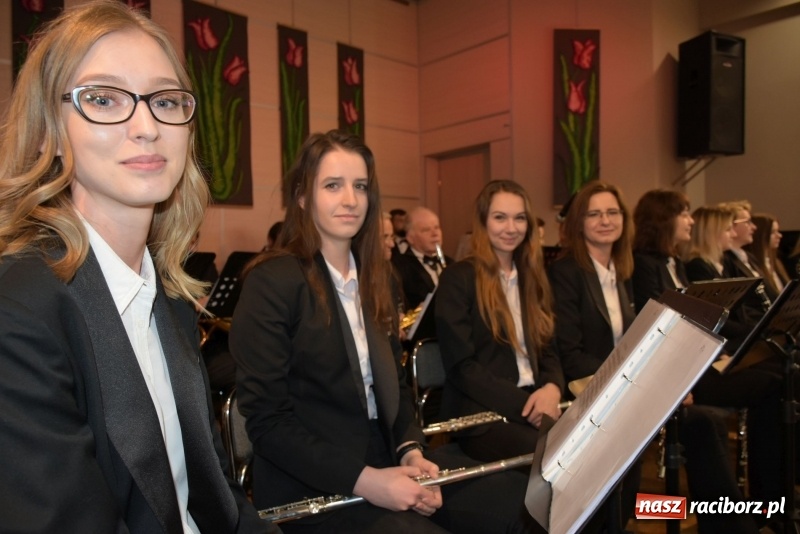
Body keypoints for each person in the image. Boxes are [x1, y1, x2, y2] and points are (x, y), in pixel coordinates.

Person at [0, 2, 274, 532]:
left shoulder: (168, 297)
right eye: (103, 99)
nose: (147, 126)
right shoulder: (18, 314)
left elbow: (218, 498)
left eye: (165, 100)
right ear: (48, 133)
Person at [230, 131, 541, 534]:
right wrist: (369, 481)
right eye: (332, 185)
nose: (350, 199)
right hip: (315, 485)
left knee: (526, 506)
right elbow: (268, 424)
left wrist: (411, 451)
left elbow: (395, 389)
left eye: (360, 186)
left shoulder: (378, 278)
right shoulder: (273, 281)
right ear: (303, 197)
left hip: (387, 459)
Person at [550, 182, 754, 533]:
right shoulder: (566, 272)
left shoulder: (621, 270)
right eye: (594, 214)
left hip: (625, 387)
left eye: (612, 212)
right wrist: (644, 386)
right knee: (701, 425)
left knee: (703, 423)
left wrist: (665, 383)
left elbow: (638, 343)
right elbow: (572, 356)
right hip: (592, 393)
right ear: (578, 222)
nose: (605, 221)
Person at [633, 190, 783, 513]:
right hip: (680, 372)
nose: (691, 220)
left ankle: (773, 496)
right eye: (684, 214)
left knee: (781, 373)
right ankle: (768, 500)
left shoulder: (673, 262)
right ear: (663, 220)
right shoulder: (645, 265)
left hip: (697, 362)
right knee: (774, 383)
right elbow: (663, 325)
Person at [435, 180, 564, 463]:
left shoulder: (533, 278)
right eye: (500, 217)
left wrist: (552, 389)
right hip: (483, 415)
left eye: (519, 218)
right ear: (483, 222)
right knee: (562, 458)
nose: (511, 228)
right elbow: (462, 368)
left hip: (535, 401)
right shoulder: (458, 278)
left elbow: (549, 350)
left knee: (601, 447)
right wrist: (528, 406)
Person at [392, 206, 453, 311]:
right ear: (410, 238)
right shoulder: (398, 267)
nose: (435, 234)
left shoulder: (451, 264)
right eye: (426, 230)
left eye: (437, 227)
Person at [745, 214, 790, 301]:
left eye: (778, 231)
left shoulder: (776, 262)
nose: (779, 235)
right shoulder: (754, 264)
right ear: (760, 235)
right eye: (773, 232)